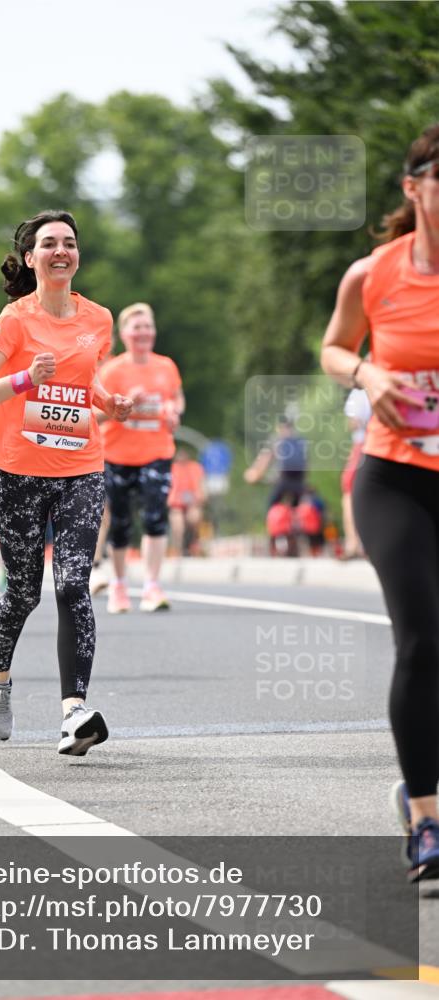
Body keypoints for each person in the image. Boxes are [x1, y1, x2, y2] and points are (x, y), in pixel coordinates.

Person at [0, 210, 132, 755]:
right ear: (32, 258)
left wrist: (111, 402)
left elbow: (85, 379)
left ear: (77, 255)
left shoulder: (98, 319)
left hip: (81, 466)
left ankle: (73, 712)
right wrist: (22, 379)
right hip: (18, 473)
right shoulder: (15, 319)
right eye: (49, 244)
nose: (61, 251)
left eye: (69, 243)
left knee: (73, 583)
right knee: (22, 592)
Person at [321, 124, 439, 882]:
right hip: (395, 477)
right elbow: (333, 348)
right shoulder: (374, 274)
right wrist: (366, 377)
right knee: (423, 639)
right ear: (413, 187)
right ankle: (427, 820)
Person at [97, 303, 184, 613]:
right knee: (120, 522)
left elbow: (175, 396)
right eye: (137, 327)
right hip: (118, 455)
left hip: (157, 452)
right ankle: (118, 585)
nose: (144, 332)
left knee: (154, 515)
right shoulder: (112, 371)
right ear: (124, 334)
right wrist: (126, 402)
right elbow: (95, 415)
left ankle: (151, 585)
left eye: (148, 326)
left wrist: (175, 411)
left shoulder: (166, 367)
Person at [244, 415, 308, 557]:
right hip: (299, 483)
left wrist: (253, 474)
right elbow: (306, 465)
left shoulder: (277, 440)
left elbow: (264, 460)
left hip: (283, 481)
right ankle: (296, 538)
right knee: (296, 509)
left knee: (272, 506)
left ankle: (274, 542)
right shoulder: (301, 441)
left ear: (279, 427)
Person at [340, 386, 371, 559]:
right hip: (389, 446)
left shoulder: (359, 391)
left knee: (349, 492)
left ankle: (353, 543)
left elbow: (353, 423)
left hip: (364, 445)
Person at [168, 447, 206, 556]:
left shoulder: (195, 468)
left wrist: (199, 499)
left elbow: (202, 486)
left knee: (194, 517)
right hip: (176, 503)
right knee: (177, 524)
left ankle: (193, 542)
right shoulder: (172, 469)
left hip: (193, 502)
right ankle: (179, 549)